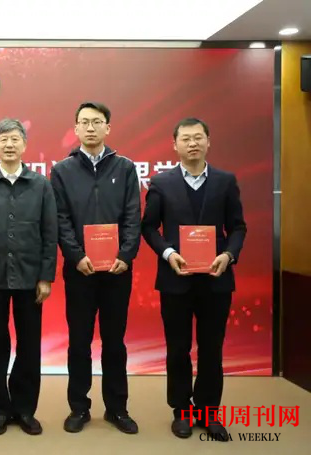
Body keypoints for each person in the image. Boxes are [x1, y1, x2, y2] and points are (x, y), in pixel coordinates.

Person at [141, 118, 246, 441]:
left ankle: (209, 411)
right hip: (176, 279)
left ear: (208, 141)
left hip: (216, 279)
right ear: (175, 145)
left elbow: (238, 227)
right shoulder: (161, 183)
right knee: (178, 348)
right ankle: (182, 411)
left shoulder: (225, 181)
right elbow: (149, 227)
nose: (192, 143)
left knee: (212, 349)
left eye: (198, 137)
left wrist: (228, 255)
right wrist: (168, 253)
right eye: (185, 139)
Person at [50, 102, 141, 434]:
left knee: (114, 342)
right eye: (84, 122)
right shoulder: (62, 170)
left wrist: (126, 255)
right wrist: (76, 255)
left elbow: (133, 215)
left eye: (97, 122)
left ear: (108, 128)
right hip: (80, 271)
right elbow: (60, 219)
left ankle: (117, 408)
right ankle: (79, 407)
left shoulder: (125, 167)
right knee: (79, 342)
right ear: (75, 128)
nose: (90, 127)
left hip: (117, 271)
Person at [0, 118, 57, 436]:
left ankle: (25, 408)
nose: (9, 144)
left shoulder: (41, 185)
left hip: (31, 279)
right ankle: (0, 410)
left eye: (15, 138)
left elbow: (50, 233)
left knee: (29, 346)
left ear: (24, 145)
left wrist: (46, 276)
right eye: (3, 139)